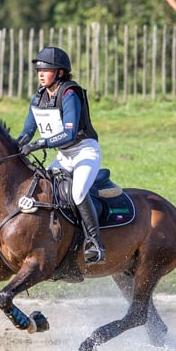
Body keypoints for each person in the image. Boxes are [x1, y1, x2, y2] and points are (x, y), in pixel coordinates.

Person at [16, 46, 105, 265]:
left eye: (46, 69)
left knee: (77, 193)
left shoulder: (69, 93)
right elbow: (28, 131)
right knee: (40, 189)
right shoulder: (38, 98)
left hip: (85, 151)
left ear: (60, 73)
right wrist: (15, 146)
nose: (40, 73)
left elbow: (70, 132)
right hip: (64, 156)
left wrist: (40, 144)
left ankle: (95, 243)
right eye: (39, 69)